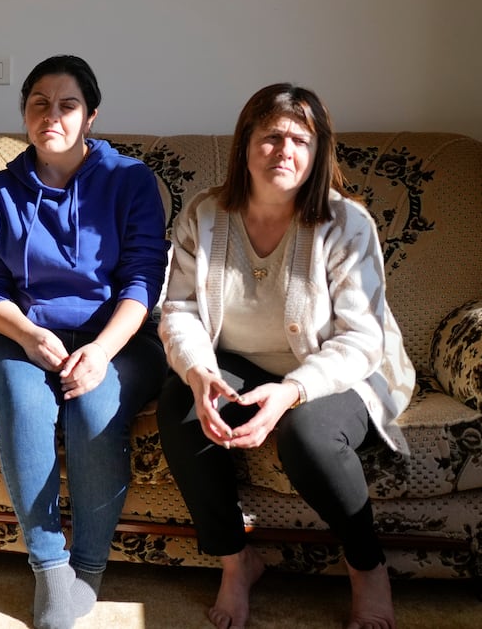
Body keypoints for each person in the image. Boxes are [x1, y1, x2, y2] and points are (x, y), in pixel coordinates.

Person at [157, 84, 415, 629]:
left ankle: (367, 567)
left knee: (307, 434)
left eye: (301, 139)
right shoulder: (203, 215)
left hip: (338, 372)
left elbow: (362, 339)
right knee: (181, 406)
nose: (285, 150)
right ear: (245, 143)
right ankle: (236, 562)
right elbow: (178, 309)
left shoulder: (347, 224)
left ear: (319, 152)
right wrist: (200, 372)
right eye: (271, 135)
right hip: (238, 363)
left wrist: (294, 391)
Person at [0, 54, 169, 629]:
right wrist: (29, 336)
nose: (51, 115)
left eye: (67, 104)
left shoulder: (130, 181)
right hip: (26, 334)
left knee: (95, 404)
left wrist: (101, 351)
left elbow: (143, 280)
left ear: (91, 116)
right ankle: (51, 568)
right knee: (24, 400)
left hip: (119, 338)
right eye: (38, 104)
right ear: (24, 115)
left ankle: (89, 567)